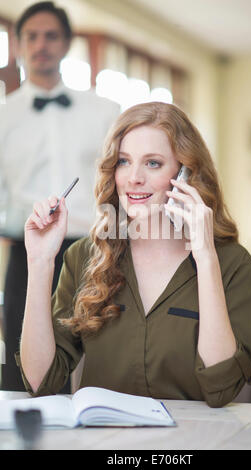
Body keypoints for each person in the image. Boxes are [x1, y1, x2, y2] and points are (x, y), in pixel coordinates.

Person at [18, 101, 251, 408]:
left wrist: (205, 256)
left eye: (153, 163)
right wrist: (39, 262)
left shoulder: (232, 264)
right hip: (103, 443)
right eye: (123, 162)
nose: (134, 178)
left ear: (186, 174)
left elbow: (221, 388)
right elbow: (41, 382)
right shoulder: (83, 256)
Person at [0, 1, 120, 391]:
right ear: (17, 44)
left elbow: (119, 185)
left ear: (67, 43)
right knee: (25, 373)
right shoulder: (3, 117)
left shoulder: (105, 112)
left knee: (102, 366)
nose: (41, 44)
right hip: (26, 251)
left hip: (93, 253)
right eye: (31, 36)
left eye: (51, 35)